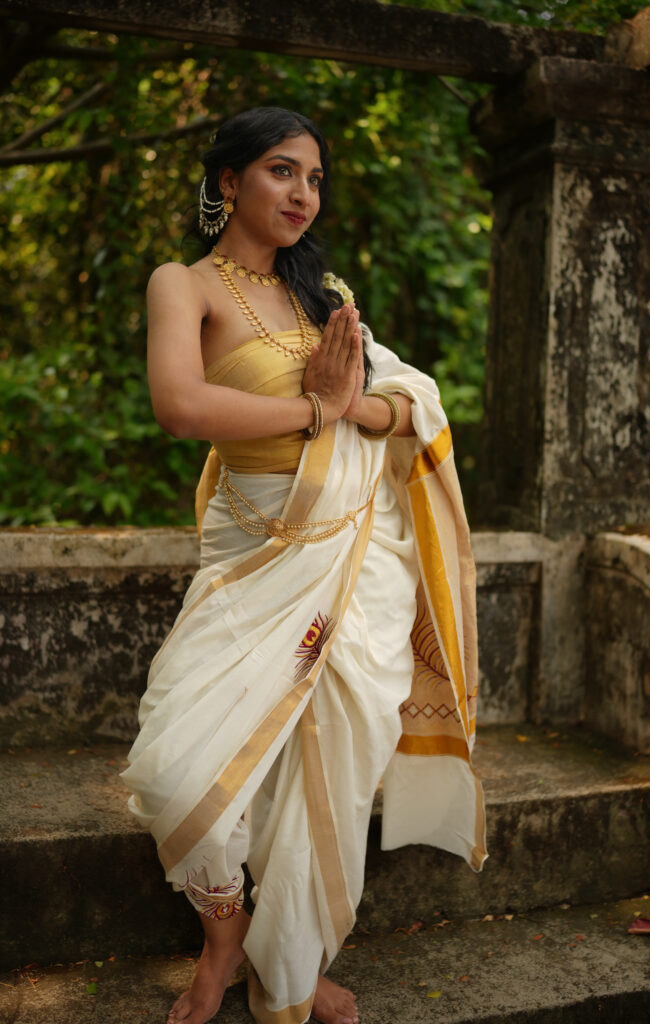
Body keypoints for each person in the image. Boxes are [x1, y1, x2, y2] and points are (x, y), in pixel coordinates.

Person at [122, 106, 487, 1024]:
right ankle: (225, 936)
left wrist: (353, 407)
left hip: (352, 568)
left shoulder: (321, 296)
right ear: (228, 181)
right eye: (282, 171)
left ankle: (287, 966)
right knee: (176, 774)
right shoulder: (185, 284)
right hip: (249, 560)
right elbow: (181, 404)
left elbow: (412, 406)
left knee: (329, 760)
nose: (301, 193)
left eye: (313, 178)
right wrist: (319, 413)